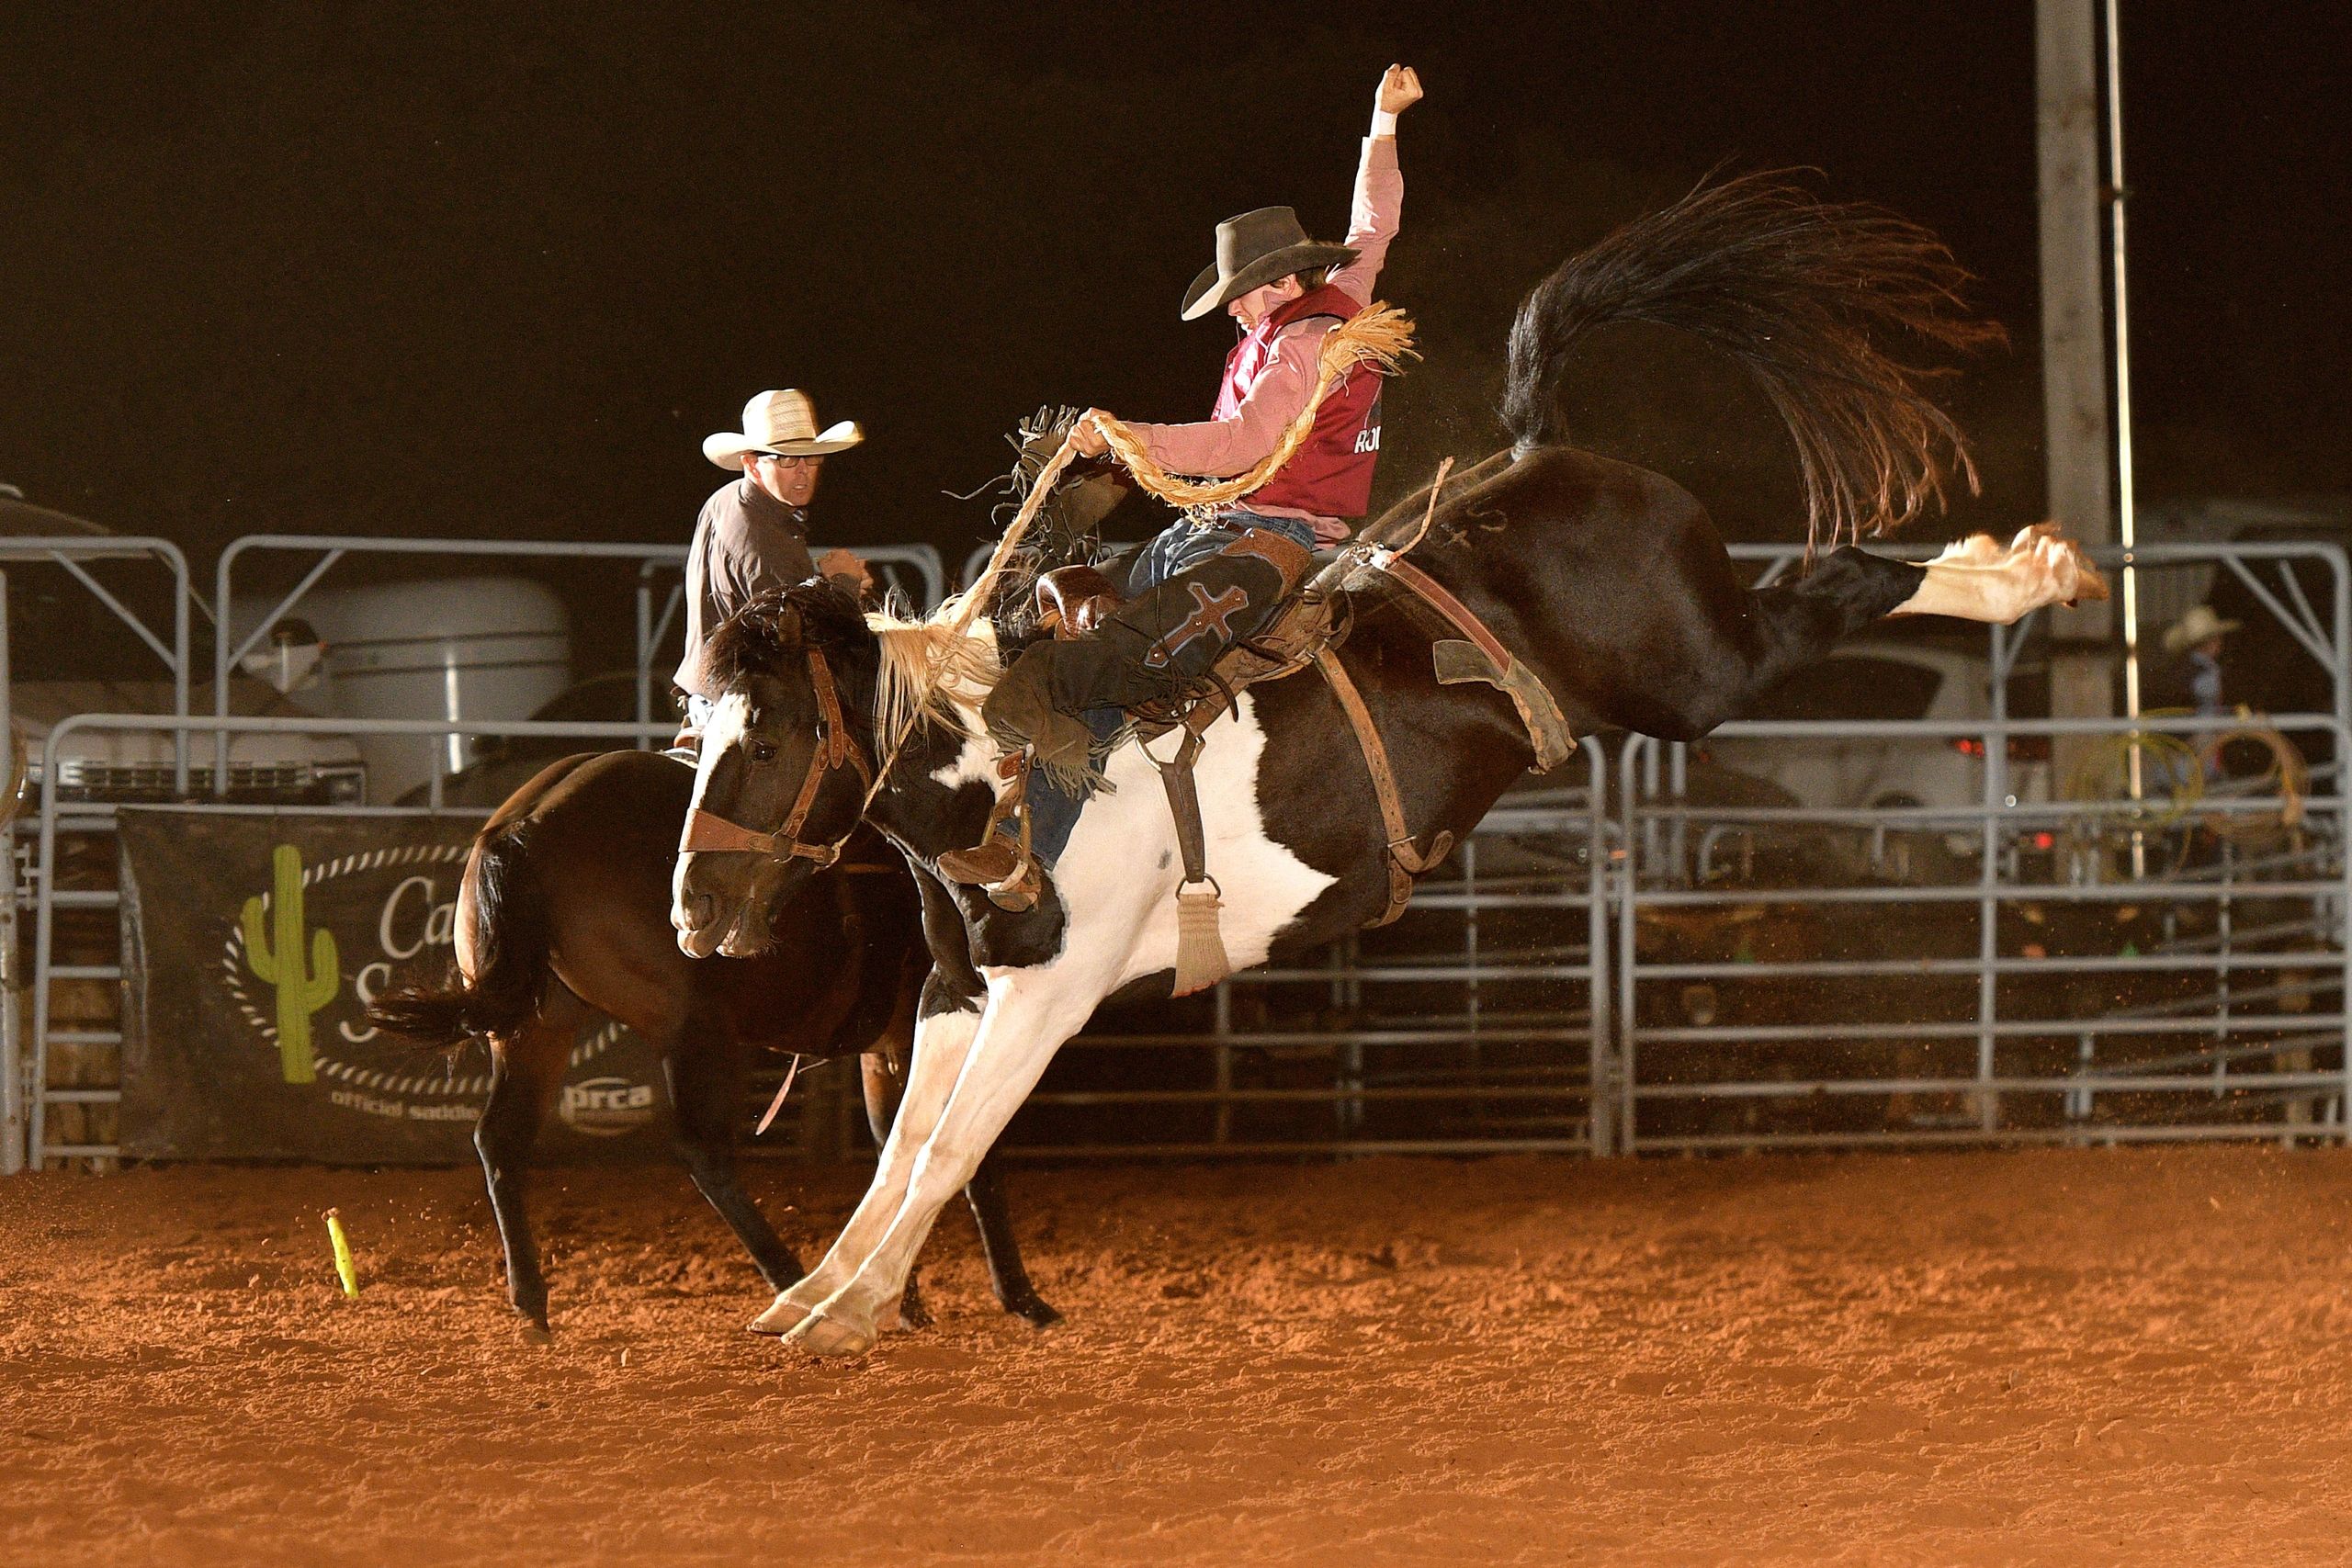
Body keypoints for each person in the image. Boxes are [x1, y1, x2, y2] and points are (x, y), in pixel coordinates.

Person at [939, 63, 1423, 895]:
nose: (1232, 310)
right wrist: (1382, 123)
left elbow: (1246, 441)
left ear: (1278, 282)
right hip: (1223, 530)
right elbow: (1373, 223)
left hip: (1277, 540)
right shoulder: (1338, 298)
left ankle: (1035, 787)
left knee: (1124, 651)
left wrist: (1130, 438)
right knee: (1083, 614)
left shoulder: (1302, 344)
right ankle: (1028, 847)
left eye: (1239, 295)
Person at [673, 389, 871, 746]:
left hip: (714, 692)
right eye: (785, 460)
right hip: (745, 706)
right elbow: (797, 637)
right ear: (752, 464)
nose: (803, 473)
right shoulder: (764, 537)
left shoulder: (728, 499)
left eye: (811, 459)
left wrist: (827, 585)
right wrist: (844, 584)